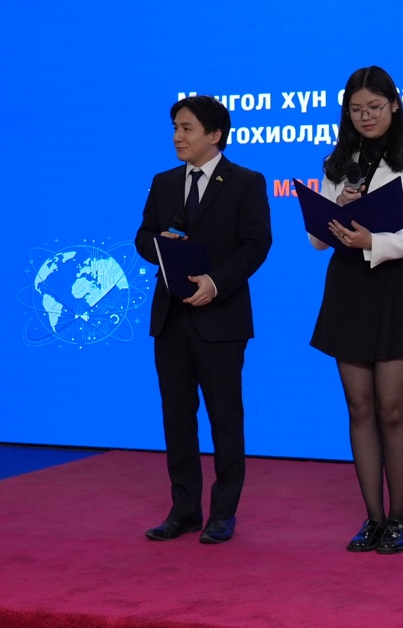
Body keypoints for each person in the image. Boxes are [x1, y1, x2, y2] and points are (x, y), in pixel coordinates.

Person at [308, 66, 403, 555]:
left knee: (391, 409)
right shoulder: (337, 161)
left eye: (375, 108)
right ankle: (373, 519)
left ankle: (399, 519)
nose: (365, 117)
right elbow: (317, 239)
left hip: (394, 282)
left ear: (395, 105)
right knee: (359, 407)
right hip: (348, 286)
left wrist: (372, 241)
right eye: (356, 110)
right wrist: (338, 208)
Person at [135, 95, 272, 544]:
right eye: (175, 127)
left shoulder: (246, 182)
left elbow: (256, 245)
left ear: (215, 135)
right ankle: (184, 510)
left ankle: (223, 514)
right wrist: (159, 243)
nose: (177, 136)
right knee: (177, 418)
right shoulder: (164, 182)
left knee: (224, 418)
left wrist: (216, 282)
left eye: (187, 128)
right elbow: (142, 237)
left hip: (221, 318)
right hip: (171, 316)